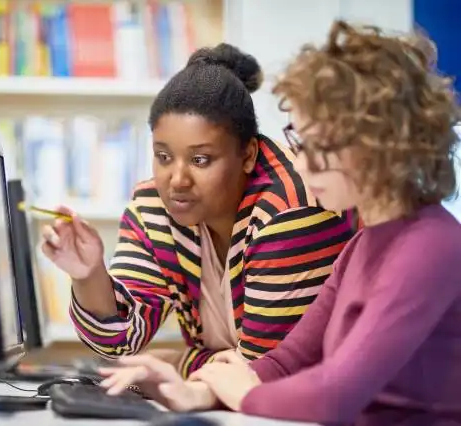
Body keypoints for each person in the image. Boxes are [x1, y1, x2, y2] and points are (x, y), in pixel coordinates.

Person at [102, 20, 461, 425]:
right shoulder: (365, 245)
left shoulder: (429, 248)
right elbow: (287, 361)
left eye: (313, 145)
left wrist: (246, 394)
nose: (299, 162)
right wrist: (196, 391)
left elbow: (333, 396)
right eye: (297, 141)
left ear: (375, 146)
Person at [41, 43, 358, 404]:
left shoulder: (290, 210)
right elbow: (119, 342)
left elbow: (264, 374)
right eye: (163, 156)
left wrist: (175, 361)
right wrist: (89, 275)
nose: (176, 179)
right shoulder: (154, 206)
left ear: (248, 155)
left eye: (201, 159)